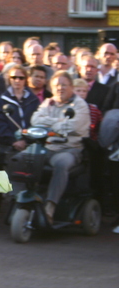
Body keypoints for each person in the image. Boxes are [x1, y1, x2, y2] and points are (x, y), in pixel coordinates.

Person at [28, 71, 90, 224]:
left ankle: (51, 206)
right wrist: (59, 122)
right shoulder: (48, 102)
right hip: (47, 147)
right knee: (20, 158)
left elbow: (74, 126)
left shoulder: (80, 104)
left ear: (71, 87)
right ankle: (20, 200)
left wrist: (48, 123)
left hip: (69, 149)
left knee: (61, 164)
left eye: (64, 85)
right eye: (56, 85)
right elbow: (35, 120)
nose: (60, 88)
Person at [0, 65, 40, 166]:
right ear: (9, 79)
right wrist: (13, 141)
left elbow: (38, 121)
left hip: (31, 144)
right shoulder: (1, 100)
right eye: (14, 77)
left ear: (25, 80)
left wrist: (27, 140)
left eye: (21, 78)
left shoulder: (33, 100)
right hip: (9, 145)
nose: (17, 80)